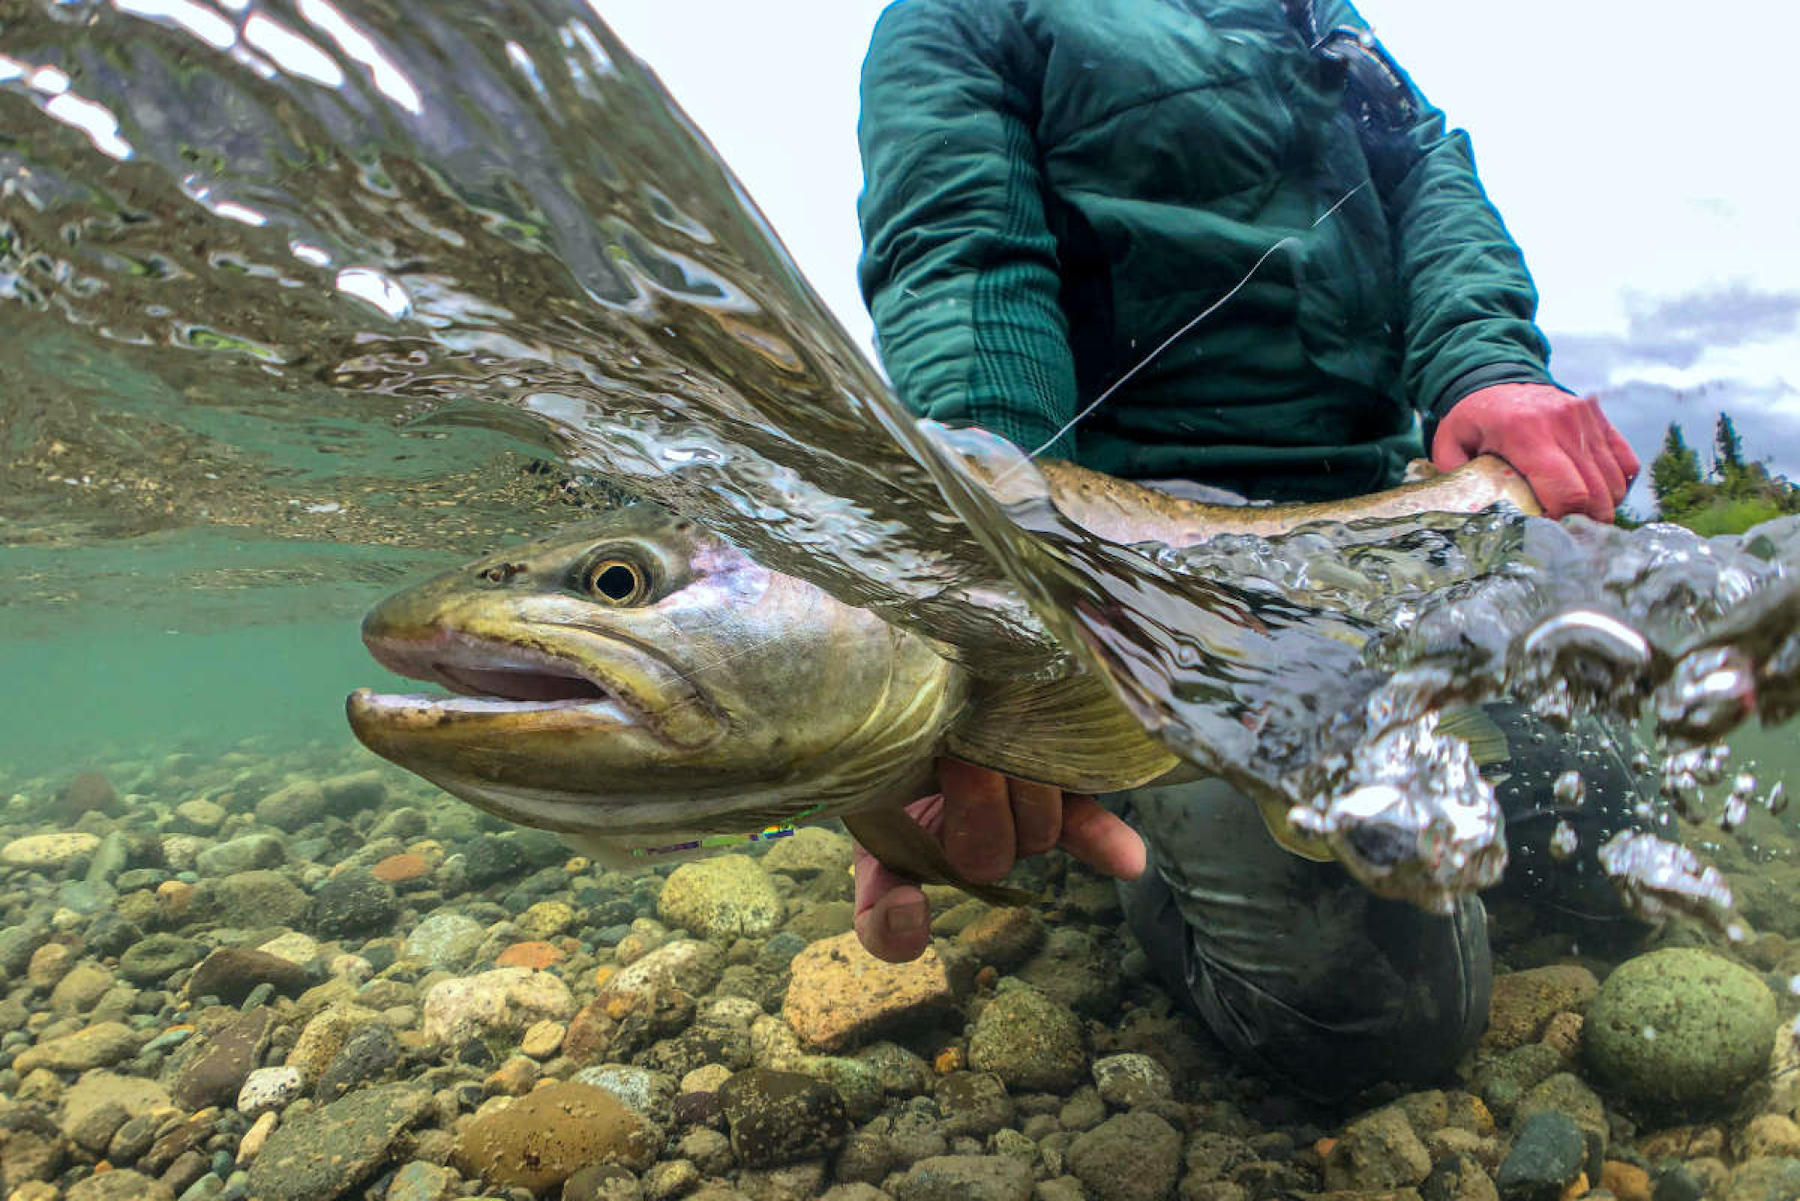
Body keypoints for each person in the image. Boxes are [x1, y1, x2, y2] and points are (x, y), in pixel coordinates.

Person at [852, 0, 1647, 1097]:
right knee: (1374, 1026)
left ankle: (1202, 785)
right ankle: (1127, 795)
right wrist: (997, 588)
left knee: (1613, 857)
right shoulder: (964, 14)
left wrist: (1490, 363)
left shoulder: (1328, 19)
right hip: (1152, 569)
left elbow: (1427, 177)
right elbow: (963, 259)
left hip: (1383, 528)